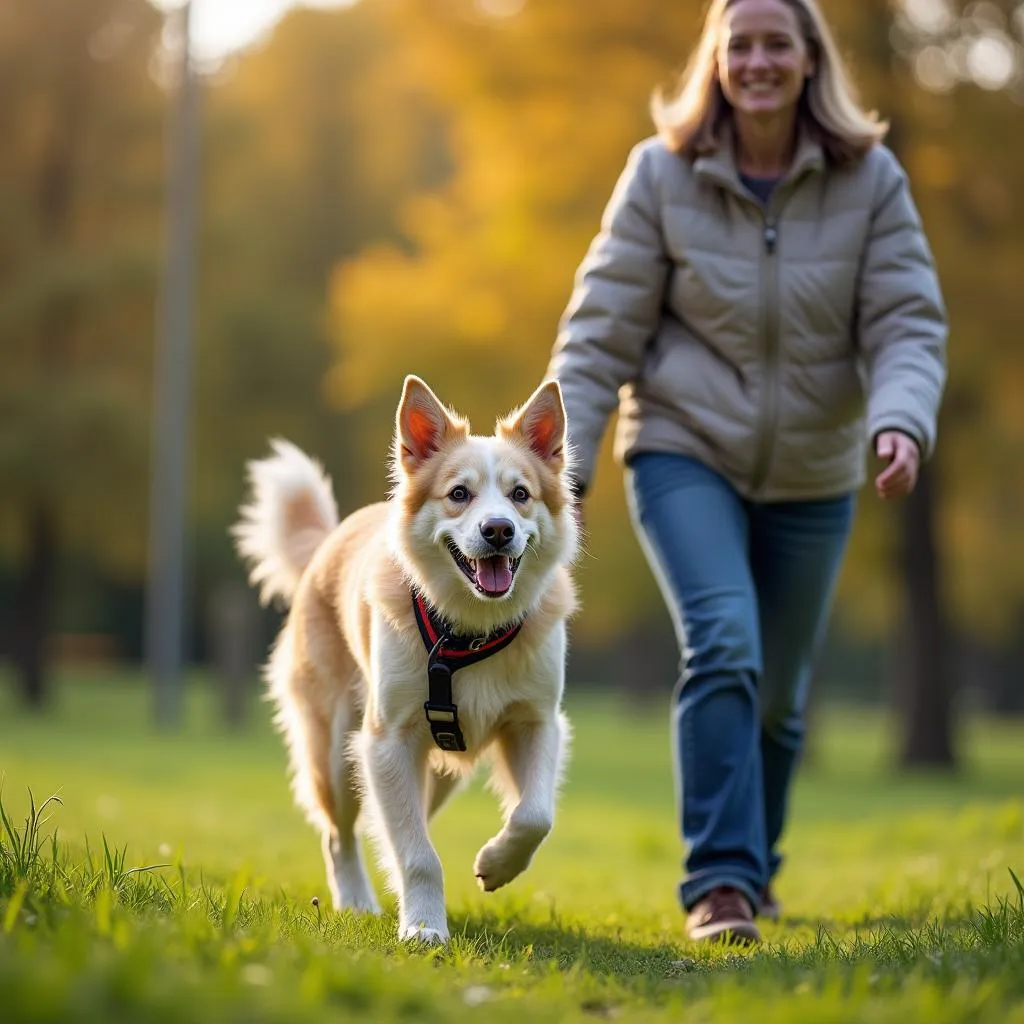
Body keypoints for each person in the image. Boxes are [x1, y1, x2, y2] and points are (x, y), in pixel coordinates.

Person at [546, 0, 946, 945]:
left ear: (811, 61)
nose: (758, 60)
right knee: (724, 640)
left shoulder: (871, 180)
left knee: (779, 691)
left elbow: (906, 322)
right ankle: (719, 885)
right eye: (741, 44)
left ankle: (756, 867)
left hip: (813, 466)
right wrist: (555, 463)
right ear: (717, 61)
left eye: (778, 43)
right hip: (684, 447)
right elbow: (600, 330)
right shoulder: (660, 173)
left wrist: (900, 421)